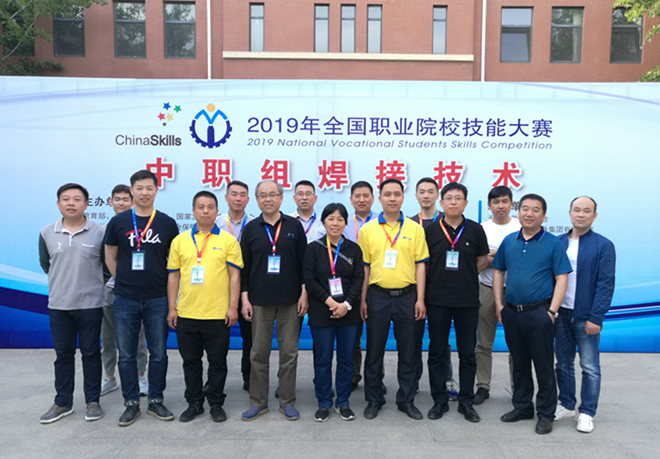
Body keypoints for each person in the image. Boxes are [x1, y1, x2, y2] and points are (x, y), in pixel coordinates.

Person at [104, 170, 179, 426]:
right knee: (126, 353)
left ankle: (156, 400)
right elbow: (110, 256)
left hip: (158, 297)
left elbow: (173, 262)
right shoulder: (119, 222)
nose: (144, 192)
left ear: (156, 190)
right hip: (125, 298)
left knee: (158, 352)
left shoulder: (167, 223)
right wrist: (124, 280)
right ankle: (131, 403)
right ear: (132, 191)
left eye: (149, 188)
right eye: (139, 188)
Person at [493, 193, 572, 435]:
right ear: (518, 213)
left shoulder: (553, 244)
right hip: (512, 312)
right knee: (519, 363)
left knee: (543, 365)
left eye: (535, 210)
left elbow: (562, 278)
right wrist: (499, 304)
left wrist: (552, 311)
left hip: (540, 313)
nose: (529, 213)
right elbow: (498, 271)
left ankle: (546, 413)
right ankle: (522, 406)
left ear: (544, 216)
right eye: (525, 208)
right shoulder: (510, 241)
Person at [167, 191, 243, 423]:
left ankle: (216, 404)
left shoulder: (228, 241)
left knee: (217, 363)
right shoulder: (180, 241)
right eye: (201, 207)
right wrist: (172, 308)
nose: (206, 211)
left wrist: (232, 307)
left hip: (218, 315)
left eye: (210, 207)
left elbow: (235, 277)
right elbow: (173, 276)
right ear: (193, 211)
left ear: (217, 211)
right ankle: (194, 403)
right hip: (187, 313)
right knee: (191, 362)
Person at [358, 178, 429, 420]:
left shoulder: (415, 229)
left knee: (408, 351)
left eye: (396, 194)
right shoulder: (368, 230)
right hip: (377, 296)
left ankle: (406, 400)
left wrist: (420, 299)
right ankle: (374, 399)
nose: (392, 198)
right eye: (387, 194)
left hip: (408, 297)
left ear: (403, 198)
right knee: (374, 350)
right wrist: (363, 299)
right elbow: (365, 267)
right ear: (379, 199)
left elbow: (421, 266)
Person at [240, 180, 308, 421]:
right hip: (259, 301)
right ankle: (258, 402)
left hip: (290, 300)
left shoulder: (294, 226)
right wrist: (244, 298)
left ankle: (287, 401)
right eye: (262, 195)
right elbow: (244, 267)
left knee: (289, 353)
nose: (267, 199)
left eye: (272, 194)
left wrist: (304, 293)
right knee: (258, 353)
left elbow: (303, 263)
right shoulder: (250, 228)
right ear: (257, 200)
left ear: (281, 197)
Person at [39, 183, 105, 423]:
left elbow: (107, 266)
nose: (71, 203)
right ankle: (62, 403)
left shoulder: (99, 232)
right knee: (63, 356)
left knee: (91, 354)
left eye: (77, 199)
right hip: (59, 305)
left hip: (91, 305)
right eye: (66, 199)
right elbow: (45, 263)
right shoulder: (47, 232)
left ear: (86, 204)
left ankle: (93, 401)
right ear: (58, 204)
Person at [424, 182, 489, 422]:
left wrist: (465, 275)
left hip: (467, 301)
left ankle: (466, 402)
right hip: (437, 300)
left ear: (465, 203)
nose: (453, 202)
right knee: (437, 351)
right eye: (449, 198)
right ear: (441, 203)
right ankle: (439, 400)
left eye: (458, 198)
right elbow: (425, 264)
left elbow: (482, 260)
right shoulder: (430, 230)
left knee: (467, 353)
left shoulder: (475, 229)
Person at [554, 196, 615, 433]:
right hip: (561, 313)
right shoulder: (558, 242)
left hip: (585, 315)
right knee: (563, 363)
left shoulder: (603, 245)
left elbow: (605, 283)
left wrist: (596, 316)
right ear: (570, 213)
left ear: (594, 216)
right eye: (577, 210)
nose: (581, 214)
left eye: (586, 211)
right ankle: (567, 404)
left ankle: (587, 411)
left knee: (589, 366)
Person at [304, 203, 364, 422]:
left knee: (347, 360)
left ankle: (343, 402)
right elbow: (310, 280)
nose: (335, 223)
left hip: (349, 313)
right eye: (331, 218)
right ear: (324, 222)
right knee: (323, 360)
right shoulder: (313, 248)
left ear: (345, 223)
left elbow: (359, 279)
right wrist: (331, 302)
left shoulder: (353, 249)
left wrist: (345, 305)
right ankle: (324, 403)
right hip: (322, 311)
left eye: (340, 219)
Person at [409, 177, 457, 401]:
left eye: (430, 191)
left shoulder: (448, 221)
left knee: (441, 339)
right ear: (416, 196)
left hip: (441, 288)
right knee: (414, 337)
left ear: (438, 196)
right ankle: (413, 380)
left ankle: (446, 380)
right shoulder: (409, 223)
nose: (426, 195)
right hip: (414, 289)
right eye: (422, 191)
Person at [100, 184, 149, 397]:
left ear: (133, 201)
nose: (121, 203)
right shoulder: (103, 229)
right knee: (108, 336)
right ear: (110, 202)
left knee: (137, 337)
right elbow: (100, 259)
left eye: (125, 199)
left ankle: (140, 376)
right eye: (117, 199)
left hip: (135, 292)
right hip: (109, 290)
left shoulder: (143, 227)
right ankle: (109, 377)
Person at [474, 185, 521, 405]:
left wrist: (493, 254)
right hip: (485, 290)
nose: (500, 206)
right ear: (489, 205)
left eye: (504, 201)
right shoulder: (481, 229)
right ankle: (483, 386)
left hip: (516, 292)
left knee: (517, 344)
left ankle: (518, 388)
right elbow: (479, 261)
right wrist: (502, 256)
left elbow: (521, 261)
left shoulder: (521, 227)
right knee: (484, 343)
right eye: (495, 202)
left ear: (511, 203)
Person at [215, 180, 254, 392]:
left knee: (250, 339)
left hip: (248, 289)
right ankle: (214, 381)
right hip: (221, 289)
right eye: (234, 194)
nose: (238, 198)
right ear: (226, 198)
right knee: (217, 339)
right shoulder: (216, 224)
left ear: (248, 199)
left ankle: (249, 377)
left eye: (242, 195)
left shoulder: (255, 224)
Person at [342, 181, 376, 391]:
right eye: (357, 196)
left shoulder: (382, 221)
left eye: (366, 196)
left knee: (376, 335)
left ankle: (376, 377)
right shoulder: (342, 222)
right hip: (350, 285)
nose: (361, 200)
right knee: (352, 335)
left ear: (373, 198)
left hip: (376, 284)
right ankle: (353, 375)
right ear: (351, 199)